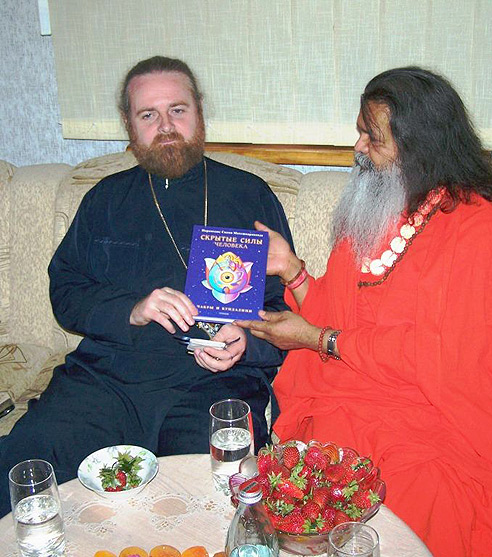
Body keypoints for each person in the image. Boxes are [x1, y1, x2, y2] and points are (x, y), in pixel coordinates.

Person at [236, 67, 492, 556]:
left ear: (419, 144)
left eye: (372, 136)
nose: (358, 147)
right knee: (316, 479)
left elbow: (444, 357)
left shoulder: (477, 226)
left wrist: (315, 340)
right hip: (352, 392)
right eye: (360, 131)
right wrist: (293, 272)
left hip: (438, 407)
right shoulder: (373, 206)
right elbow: (345, 311)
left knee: (417, 495)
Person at [0, 56, 293, 516]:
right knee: (21, 465)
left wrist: (244, 342)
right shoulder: (104, 199)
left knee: (209, 503)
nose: (166, 126)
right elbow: (66, 291)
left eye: (178, 109)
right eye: (148, 115)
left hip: (213, 384)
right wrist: (131, 309)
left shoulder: (249, 195)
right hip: (107, 380)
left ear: (199, 112)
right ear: (129, 125)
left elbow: (282, 312)